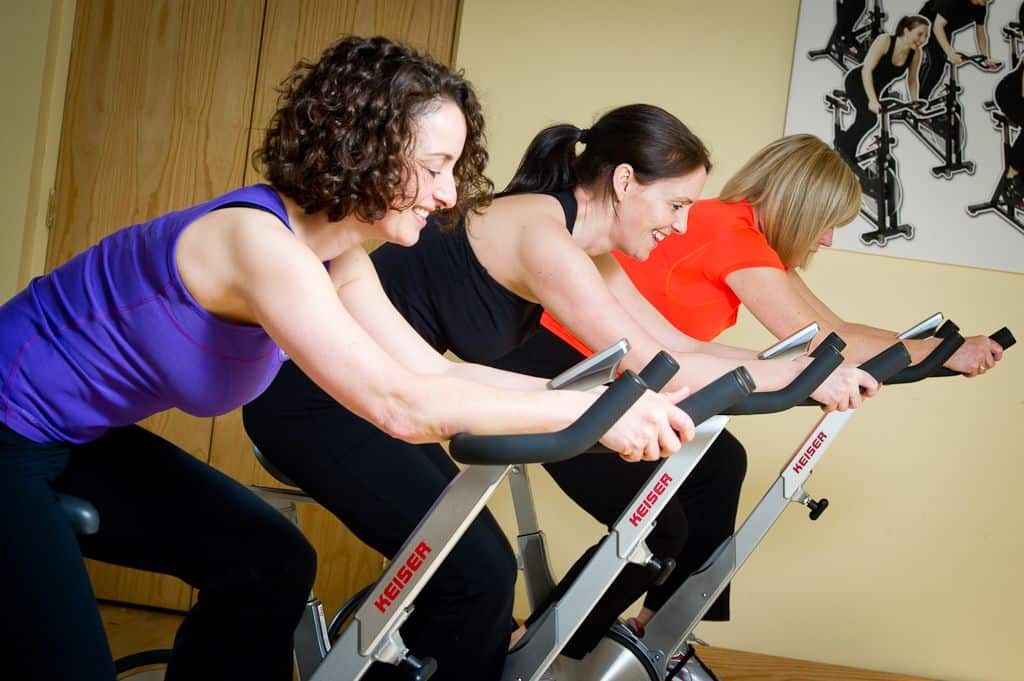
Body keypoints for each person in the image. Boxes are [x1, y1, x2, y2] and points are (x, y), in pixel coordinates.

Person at [0, 37, 690, 681]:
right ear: (364, 147)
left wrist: (607, 400)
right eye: (433, 168)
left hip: (70, 436)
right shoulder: (257, 244)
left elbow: (432, 372)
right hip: (7, 431)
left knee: (269, 560)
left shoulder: (337, 255)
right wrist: (591, 411)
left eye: (453, 169)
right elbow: (402, 407)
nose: (450, 194)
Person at [244, 105, 875, 680]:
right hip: (317, 403)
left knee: (478, 572)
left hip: (391, 390)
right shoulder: (544, 237)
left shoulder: (584, 245)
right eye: (676, 205)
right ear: (625, 183)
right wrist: (803, 377)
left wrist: (807, 369)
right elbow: (661, 364)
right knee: (480, 573)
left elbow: (681, 344)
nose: (681, 228)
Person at [498, 133, 1004, 676]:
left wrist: (937, 349)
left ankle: (658, 629)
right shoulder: (729, 234)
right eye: (828, 222)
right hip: (565, 369)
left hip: (614, 375)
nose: (829, 239)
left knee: (720, 463)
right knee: (660, 529)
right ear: (801, 206)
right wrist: (947, 353)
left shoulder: (740, 234)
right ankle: (536, 649)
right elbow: (825, 339)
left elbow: (834, 334)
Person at [836, 15, 929, 162]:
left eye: (926, 36)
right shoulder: (885, 40)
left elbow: (912, 80)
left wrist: (915, 102)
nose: (923, 39)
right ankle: (844, 150)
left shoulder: (916, 53)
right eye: (920, 34)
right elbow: (866, 70)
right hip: (858, 81)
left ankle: (843, 148)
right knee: (869, 119)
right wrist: (872, 100)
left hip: (876, 89)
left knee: (866, 119)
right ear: (906, 31)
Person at [918, 0, 997, 101]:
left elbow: (980, 32)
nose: (988, 2)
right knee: (935, 64)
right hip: (927, 25)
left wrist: (986, 58)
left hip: (945, 29)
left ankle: (920, 100)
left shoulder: (981, 7)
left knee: (939, 67)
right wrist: (950, 53)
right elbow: (937, 27)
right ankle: (918, 102)